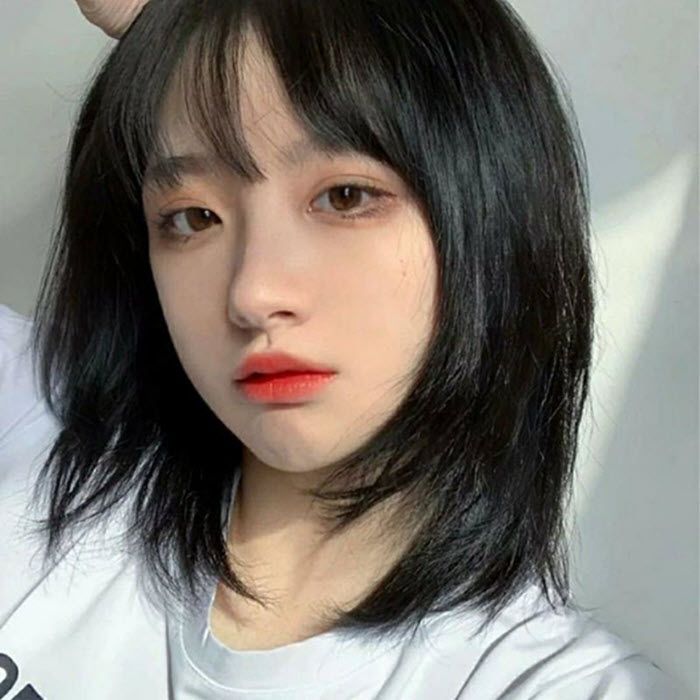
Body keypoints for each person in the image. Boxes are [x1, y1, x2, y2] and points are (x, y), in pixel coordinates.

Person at [0, 0, 686, 698]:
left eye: (346, 198)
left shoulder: (556, 687)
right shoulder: (34, 429)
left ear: (491, 211)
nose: (253, 293)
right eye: (194, 217)